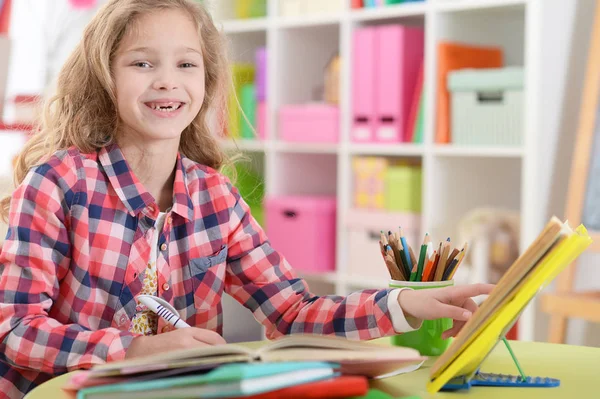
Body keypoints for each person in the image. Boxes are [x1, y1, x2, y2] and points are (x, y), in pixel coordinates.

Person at [0, 0, 493, 397]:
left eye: (186, 64)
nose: (167, 79)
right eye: (142, 62)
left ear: (206, 82)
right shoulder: (59, 183)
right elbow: (16, 331)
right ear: (105, 79)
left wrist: (403, 306)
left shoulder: (216, 198)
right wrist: (131, 350)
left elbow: (293, 312)